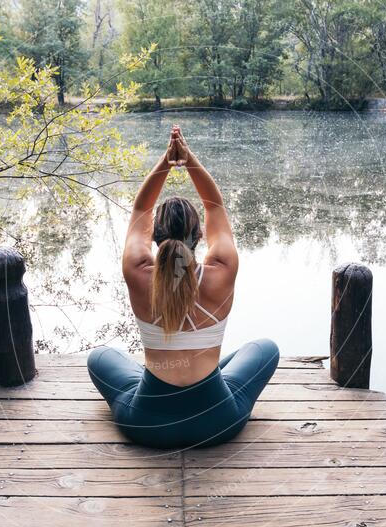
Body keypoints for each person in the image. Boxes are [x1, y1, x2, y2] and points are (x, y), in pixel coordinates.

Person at [86, 124, 279, 449]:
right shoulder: (222, 269)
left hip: (145, 423)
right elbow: (215, 207)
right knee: (266, 348)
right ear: (200, 236)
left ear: (154, 237)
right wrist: (188, 161)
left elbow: (139, 210)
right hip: (219, 421)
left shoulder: (138, 270)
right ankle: (202, 367)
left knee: (100, 356)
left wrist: (166, 162)